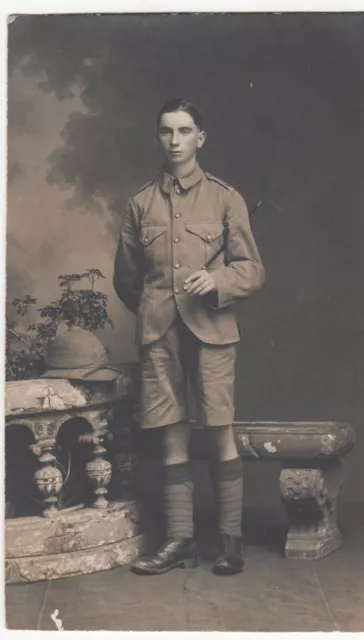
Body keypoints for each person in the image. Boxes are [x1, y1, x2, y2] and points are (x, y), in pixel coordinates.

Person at [113, 98, 265, 576]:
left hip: (213, 331)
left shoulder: (225, 197)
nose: (175, 141)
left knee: (219, 431)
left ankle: (229, 542)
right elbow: (126, 278)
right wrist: (157, 307)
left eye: (184, 131)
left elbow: (253, 270)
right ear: (158, 137)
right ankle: (180, 541)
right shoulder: (140, 203)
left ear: (201, 137)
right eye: (166, 131)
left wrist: (217, 282)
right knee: (171, 437)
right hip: (160, 335)